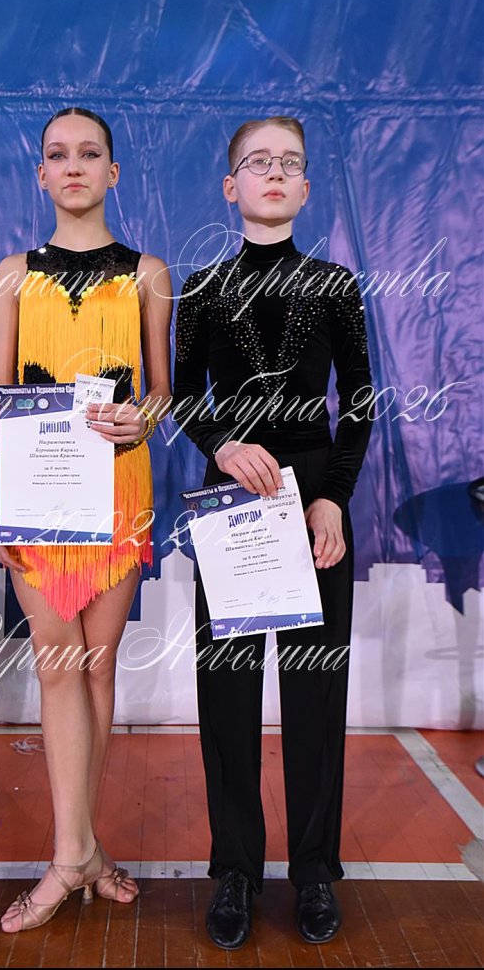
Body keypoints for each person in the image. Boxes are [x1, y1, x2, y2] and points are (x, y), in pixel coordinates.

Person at [172, 117, 374, 949]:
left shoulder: (335, 285)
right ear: (232, 187)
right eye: (259, 162)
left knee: (314, 691)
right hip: (233, 501)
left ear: (307, 187)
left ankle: (314, 868)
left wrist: (333, 498)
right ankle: (235, 869)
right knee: (226, 691)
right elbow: (183, 392)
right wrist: (223, 443)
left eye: (291, 163)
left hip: (315, 499)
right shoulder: (201, 288)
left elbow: (357, 402)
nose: (276, 173)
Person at [0, 107, 172, 932]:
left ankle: (81, 851)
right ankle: (71, 857)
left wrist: (141, 418)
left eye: (89, 153)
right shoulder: (12, 274)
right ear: (41, 174)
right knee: (58, 664)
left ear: (112, 172)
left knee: (97, 667)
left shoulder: (149, 273)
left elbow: (162, 388)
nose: (74, 165)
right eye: (58, 154)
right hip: (37, 492)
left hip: (119, 490)